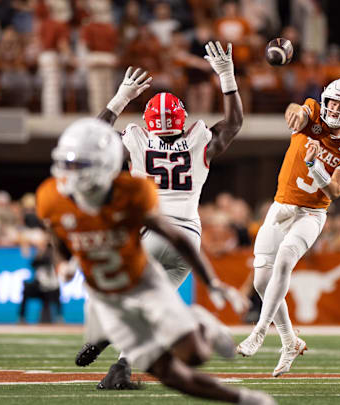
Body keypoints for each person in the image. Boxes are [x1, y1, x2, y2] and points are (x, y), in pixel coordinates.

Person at [37, 117, 273, 404]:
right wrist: (62, 263)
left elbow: (174, 236)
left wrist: (211, 282)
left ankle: (199, 326)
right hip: (108, 297)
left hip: (141, 279)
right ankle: (245, 399)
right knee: (170, 373)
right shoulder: (51, 196)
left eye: (81, 166)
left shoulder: (132, 192)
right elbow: (58, 236)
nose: (72, 174)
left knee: (195, 355)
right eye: (68, 164)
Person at [74, 40, 244, 388]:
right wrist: (227, 77)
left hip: (150, 233)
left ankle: (107, 332)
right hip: (188, 240)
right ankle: (120, 366)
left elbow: (92, 138)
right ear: (182, 118)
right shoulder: (199, 140)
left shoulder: (137, 140)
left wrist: (119, 99)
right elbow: (234, 124)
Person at [236, 77, 340, 376]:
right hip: (280, 206)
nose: (335, 109)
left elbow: (335, 191)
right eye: (332, 102)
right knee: (261, 282)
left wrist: (316, 166)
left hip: (311, 214)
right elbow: (297, 110)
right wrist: (294, 112)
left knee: (285, 258)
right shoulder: (312, 113)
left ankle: (259, 332)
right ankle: (289, 341)